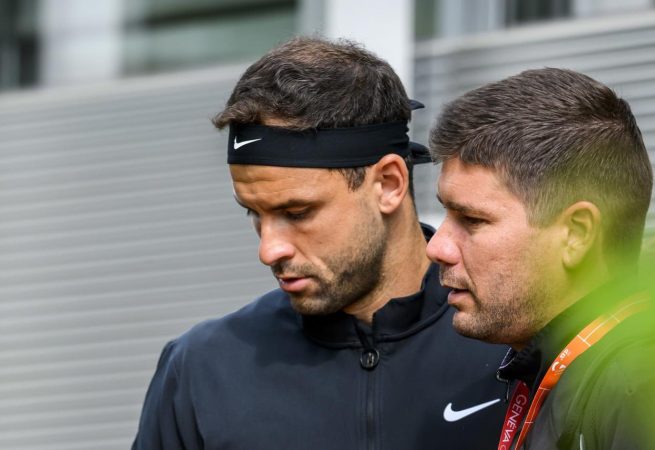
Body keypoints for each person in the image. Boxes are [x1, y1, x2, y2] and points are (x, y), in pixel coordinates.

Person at [131, 37, 508, 450]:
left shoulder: (515, 341)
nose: (269, 251)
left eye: (297, 213)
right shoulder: (200, 370)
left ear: (388, 184)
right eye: (254, 213)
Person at [426, 67, 655, 449]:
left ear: (576, 234)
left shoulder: (636, 386)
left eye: (472, 220)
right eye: (446, 215)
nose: (437, 247)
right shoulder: (558, 372)